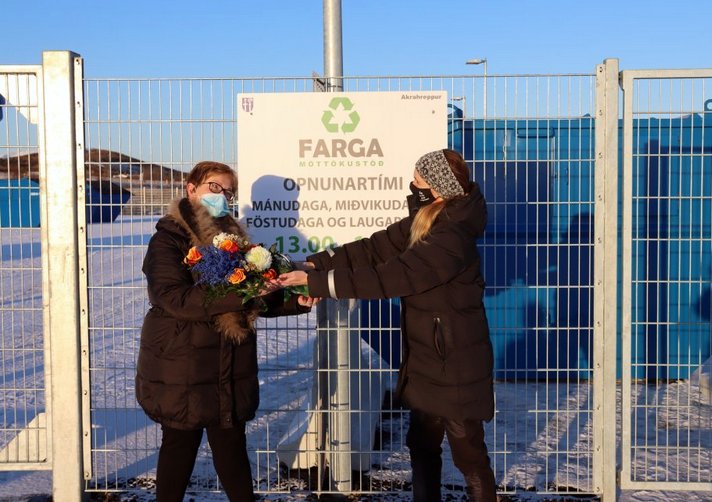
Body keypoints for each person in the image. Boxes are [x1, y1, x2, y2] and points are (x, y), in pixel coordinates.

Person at [278, 149, 497, 501]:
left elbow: (390, 276)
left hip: (454, 363)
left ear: (440, 188)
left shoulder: (452, 236)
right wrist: (314, 265)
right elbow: (372, 249)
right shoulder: (427, 219)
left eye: (420, 181)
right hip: (427, 360)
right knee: (421, 446)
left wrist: (319, 285)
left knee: (468, 454)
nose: (414, 185)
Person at [135, 161, 315, 502]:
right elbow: (174, 299)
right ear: (191, 188)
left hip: (228, 364)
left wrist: (296, 302)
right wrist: (244, 291)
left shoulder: (233, 240)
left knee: (232, 447)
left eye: (228, 191)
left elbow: (250, 300)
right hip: (183, 365)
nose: (222, 196)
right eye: (214, 187)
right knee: (179, 447)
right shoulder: (168, 241)